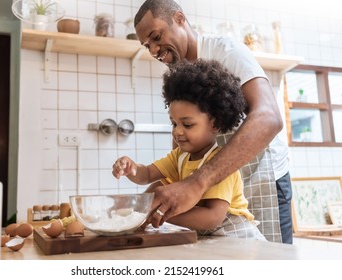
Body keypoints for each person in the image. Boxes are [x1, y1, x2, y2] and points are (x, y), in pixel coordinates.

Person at [133, 0, 292, 243]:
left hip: (262, 181)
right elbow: (181, 153)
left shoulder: (226, 52)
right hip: (213, 184)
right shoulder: (178, 75)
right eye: (147, 45)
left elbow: (269, 118)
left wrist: (196, 183)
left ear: (179, 19)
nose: (153, 50)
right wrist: (145, 205)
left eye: (156, 37)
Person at [113, 59, 266, 240]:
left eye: (187, 124)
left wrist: (159, 213)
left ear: (215, 123)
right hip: (214, 240)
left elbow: (212, 218)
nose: (177, 131)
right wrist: (132, 168)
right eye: (174, 123)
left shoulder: (221, 166)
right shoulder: (179, 157)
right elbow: (146, 175)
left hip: (240, 238)